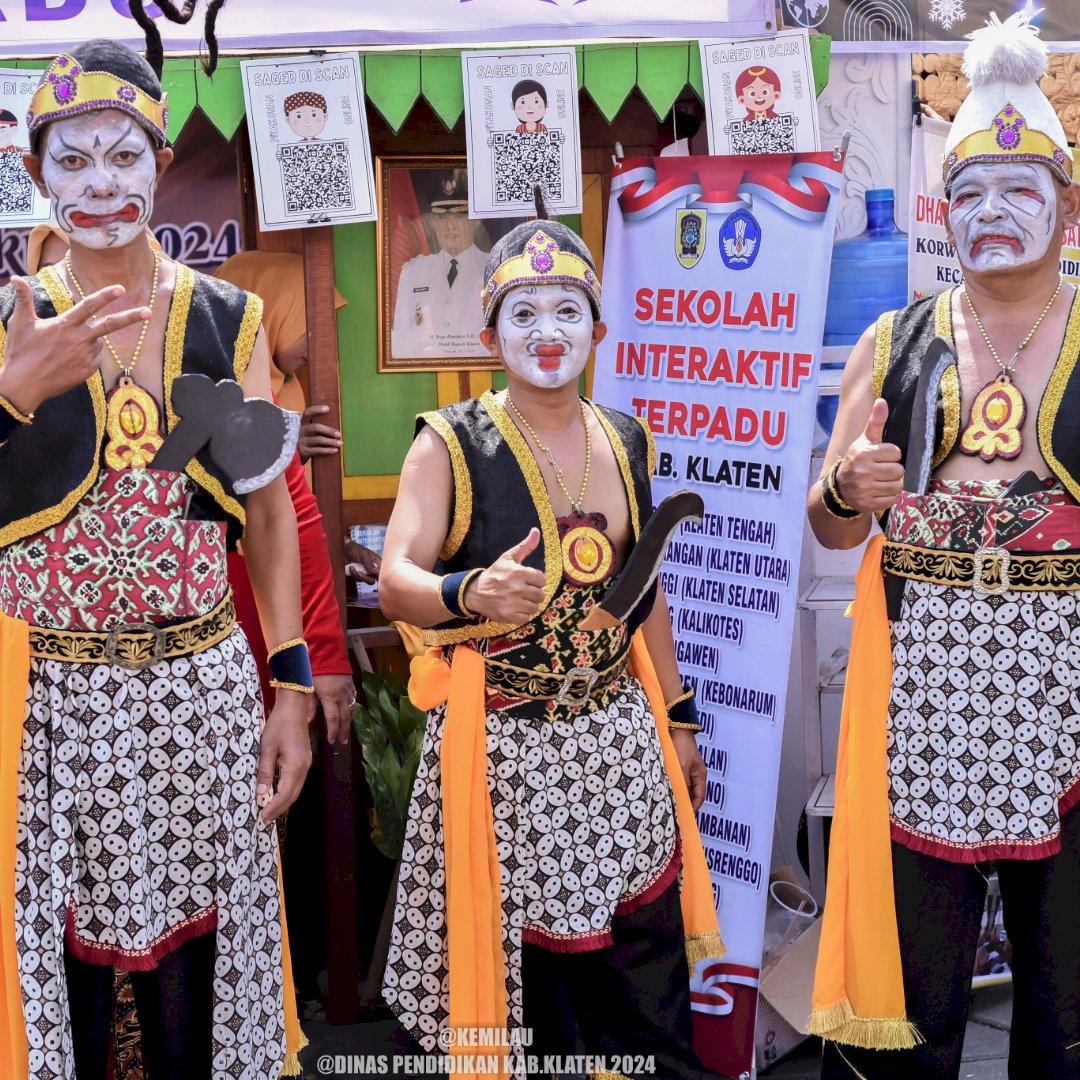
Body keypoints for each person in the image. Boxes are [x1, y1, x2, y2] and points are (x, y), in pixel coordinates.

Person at [0, 37, 311, 1079]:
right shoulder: (8, 320)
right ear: (37, 171)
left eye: (122, 155)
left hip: (199, 693)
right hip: (46, 702)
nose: (100, 184)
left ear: (162, 156)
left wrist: (292, 691)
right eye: (73, 160)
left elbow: (267, 515)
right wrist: (14, 395)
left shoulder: (228, 319)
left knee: (199, 981)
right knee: (55, 977)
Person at [378, 206, 724, 1079]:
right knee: (536, 992)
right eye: (524, 312)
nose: (547, 331)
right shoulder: (449, 442)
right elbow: (394, 580)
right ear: (491, 332)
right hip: (501, 752)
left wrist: (678, 719)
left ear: (598, 328)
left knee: (645, 972)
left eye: (566, 309)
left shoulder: (626, 436)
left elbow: (645, 594)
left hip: (614, 740)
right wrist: (468, 590)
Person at [807, 10, 1080, 1079]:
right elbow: (830, 523)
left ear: (1067, 203)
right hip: (924, 699)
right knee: (913, 997)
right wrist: (847, 485)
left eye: (1020, 190)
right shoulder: (894, 339)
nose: (992, 212)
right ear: (941, 212)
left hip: (1067, 694)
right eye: (967, 193)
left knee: (1065, 997)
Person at [390, 171, 487, 360]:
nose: (449, 225)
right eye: (441, 217)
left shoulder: (494, 268)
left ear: (476, 221)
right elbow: (400, 343)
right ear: (433, 222)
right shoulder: (412, 273)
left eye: (459, 216)